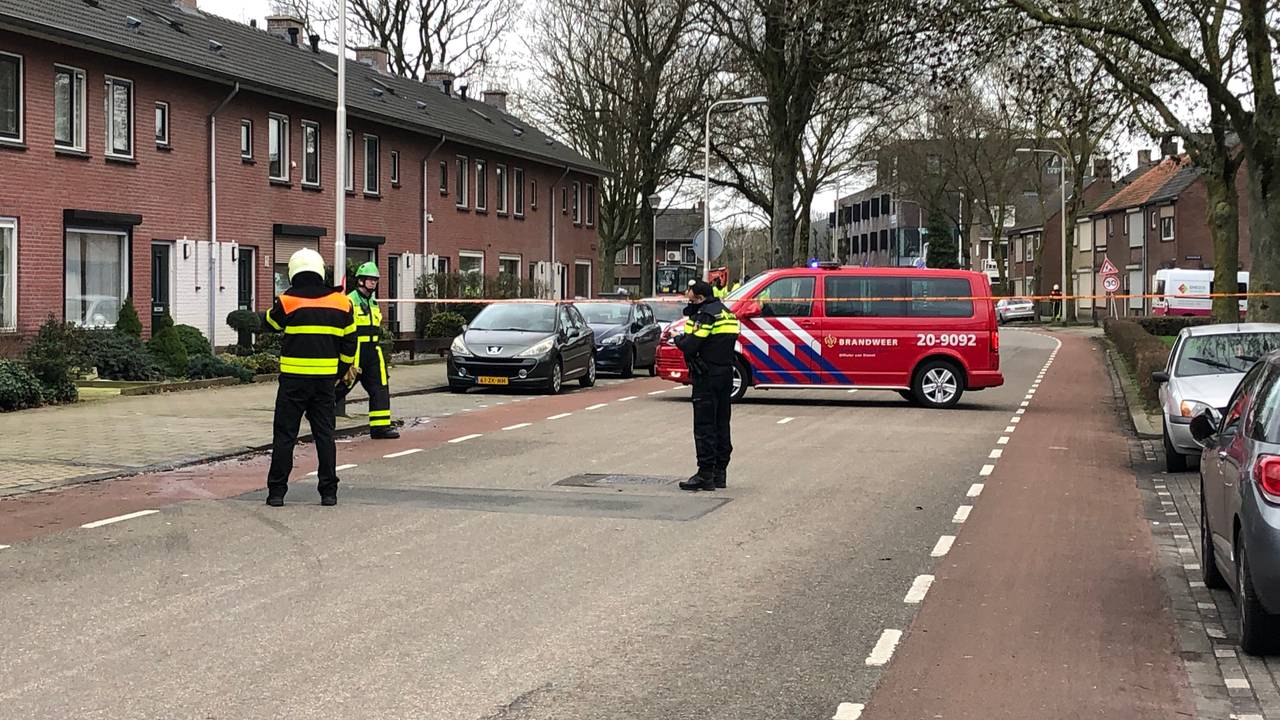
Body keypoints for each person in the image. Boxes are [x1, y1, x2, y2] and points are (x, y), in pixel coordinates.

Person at [262, 248, 357, 507]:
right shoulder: (342, 302)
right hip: (325, 382)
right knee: (325, 435)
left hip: (293, 382)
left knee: (285, 436)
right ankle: (329, 493)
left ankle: (277, 493)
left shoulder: (287, 300)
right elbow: (351, 344)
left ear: (293, 271)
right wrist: (339, 373)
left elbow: (270, 324)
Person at [675, 279, 740, 491]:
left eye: (691, 298)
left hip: (707, 375)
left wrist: (679, 340)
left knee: (704, 426)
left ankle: (705, 474)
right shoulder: (728, 313)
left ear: (700, 298)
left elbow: (691, 344)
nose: (689, 301)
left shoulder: (705, 316)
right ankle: (720, 473)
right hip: (725, 374)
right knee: (722, 423)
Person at [335, 261, 399, 439]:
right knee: (342, 386)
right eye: (370, 279)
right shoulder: (349, 300)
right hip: (355, 351)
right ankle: (316, 413)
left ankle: (380, 427)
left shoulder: (374, 302)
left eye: (375, 280)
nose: (373, 283)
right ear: (361, 281)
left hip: (373, 350)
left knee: (380, 387)